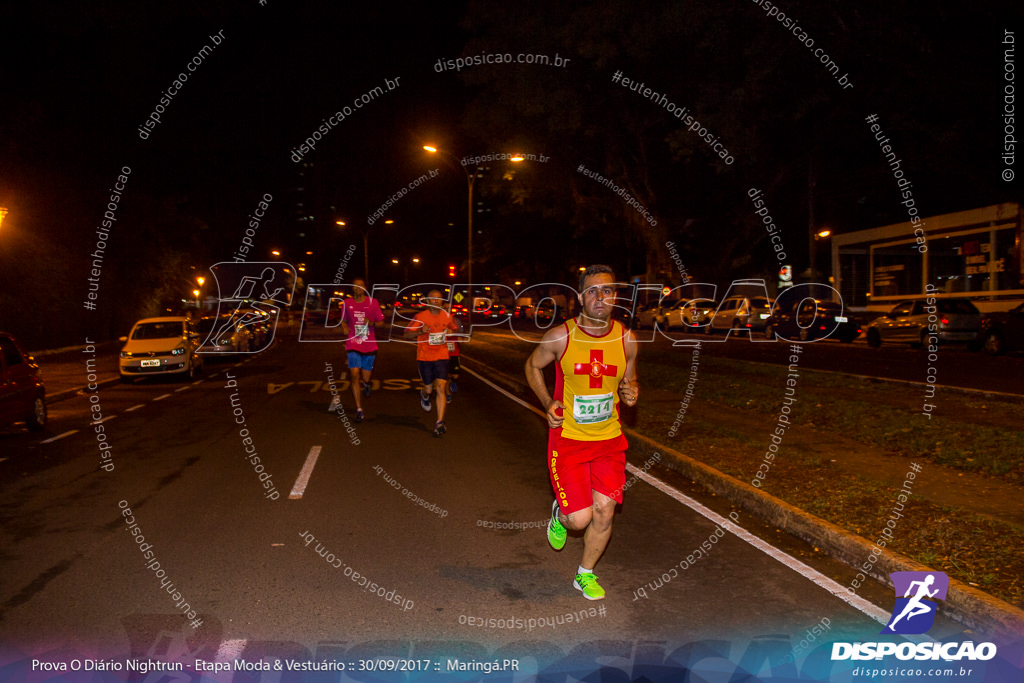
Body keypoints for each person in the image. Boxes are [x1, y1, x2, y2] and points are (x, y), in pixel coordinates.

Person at [524, 265, 639, 600]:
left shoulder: (626, 339)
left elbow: (629, 382)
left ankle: (584, 575)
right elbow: (532, 366)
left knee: (604, 510)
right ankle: (560, 514)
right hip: (569, 441)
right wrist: (547, 401)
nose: (599, 297)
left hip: (610, 441)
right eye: (592, 291)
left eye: (606, 290)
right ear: (580, 298)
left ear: (615, 296)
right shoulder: (561, 336)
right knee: (579, 519)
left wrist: (631, 393)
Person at [405, 289, 459, 437]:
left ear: (442, 302)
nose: (436, 301)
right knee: (429, 389)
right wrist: (420, 331)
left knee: (441, 388)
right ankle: (424, 394)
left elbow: (454, 329)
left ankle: (439, 422)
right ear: (427, 301)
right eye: (433, 299)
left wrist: (450, 332)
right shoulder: (420, 317)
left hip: (442, 356)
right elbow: (407, 333)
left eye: (439, 299)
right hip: (424, 357)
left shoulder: (447, 316)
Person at [332, 279, 384, 422]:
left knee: (365, 377)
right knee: (354, 375)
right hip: (353, 343)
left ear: (364, 288)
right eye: (355, 285)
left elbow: (381, 322)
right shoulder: (347, 303)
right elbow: (343, 320)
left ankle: (366, 384)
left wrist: (372, 322)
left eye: (361, 285)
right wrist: (344, 326)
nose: (358, 288)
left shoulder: (373, 303)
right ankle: (359, 409)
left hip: (369, 344)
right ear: (352, 289)